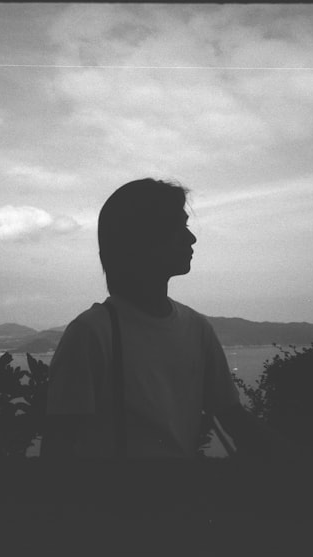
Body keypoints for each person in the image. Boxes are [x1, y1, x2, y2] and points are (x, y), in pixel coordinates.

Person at [41, 178, 285, 459]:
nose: (191, 238)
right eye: (178, 227)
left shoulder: (197, 328)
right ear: (143, 238)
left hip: (184, 502)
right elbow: (58, 453)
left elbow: (233, 417)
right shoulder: (91, 334)